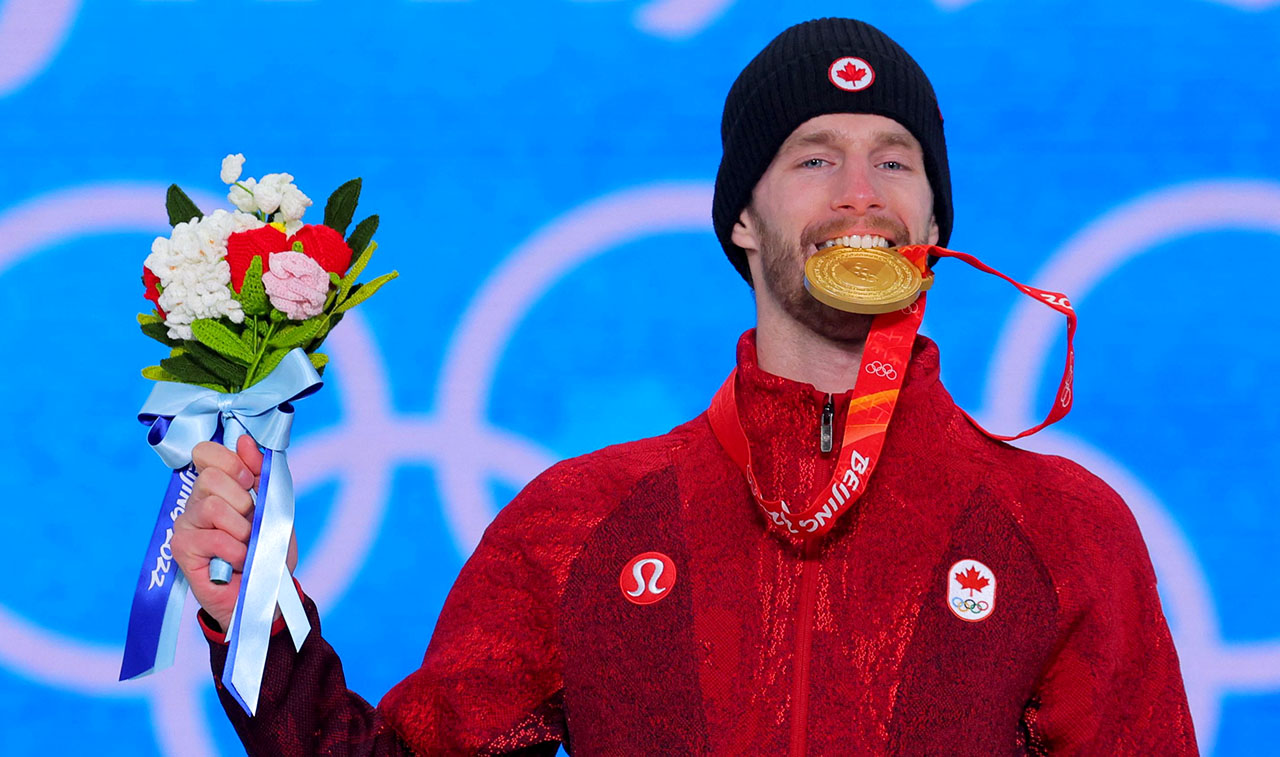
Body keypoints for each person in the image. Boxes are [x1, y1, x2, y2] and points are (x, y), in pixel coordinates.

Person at [171, 17, 1197, 755]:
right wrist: (257, 616)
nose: (860, 194)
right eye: (814, 159)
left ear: (933, 225)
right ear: (740, 220)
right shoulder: (578, 523)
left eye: (895, 162)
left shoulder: (1063, 528)